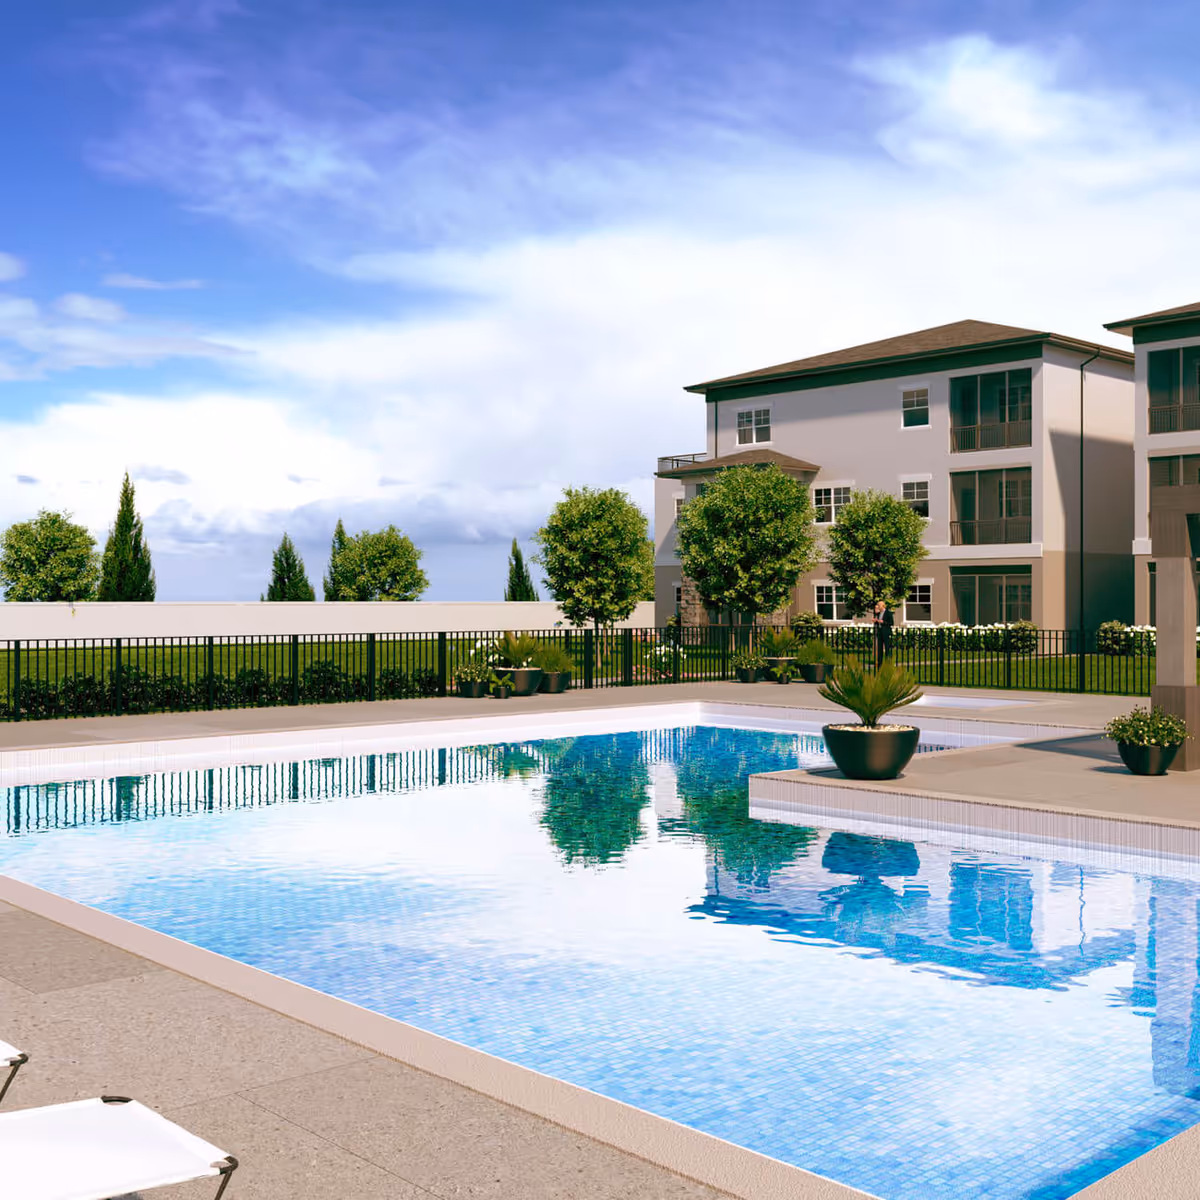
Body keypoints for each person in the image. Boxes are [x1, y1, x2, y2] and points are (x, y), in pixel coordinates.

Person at [872, 599, 894, 668]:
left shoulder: (888, 613)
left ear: (882, 606)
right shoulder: (879, 614)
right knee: (879, 648)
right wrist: (876, 621)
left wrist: (883, 622)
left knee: (887, 648)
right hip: (880, 632)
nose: (877, 607)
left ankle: (888, 662)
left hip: (886, 632)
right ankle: (879, 663)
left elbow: (891, 623)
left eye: (879, 605)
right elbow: (878, 622)